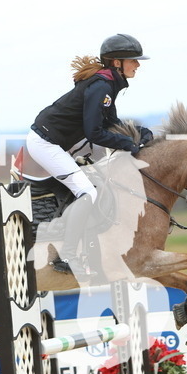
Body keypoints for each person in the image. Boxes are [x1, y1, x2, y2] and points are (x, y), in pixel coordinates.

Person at [26, 33, 155, 276]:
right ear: (116, 63)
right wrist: (129, 144)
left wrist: (138, 134)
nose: (137, 64)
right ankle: (67, 255)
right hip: (46, 144)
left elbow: (111, 123)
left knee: (103, 174)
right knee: (88, 192)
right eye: (133, 60)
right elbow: (95, 133)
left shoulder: (109, 84)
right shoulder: (102, 86)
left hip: (63, 140)